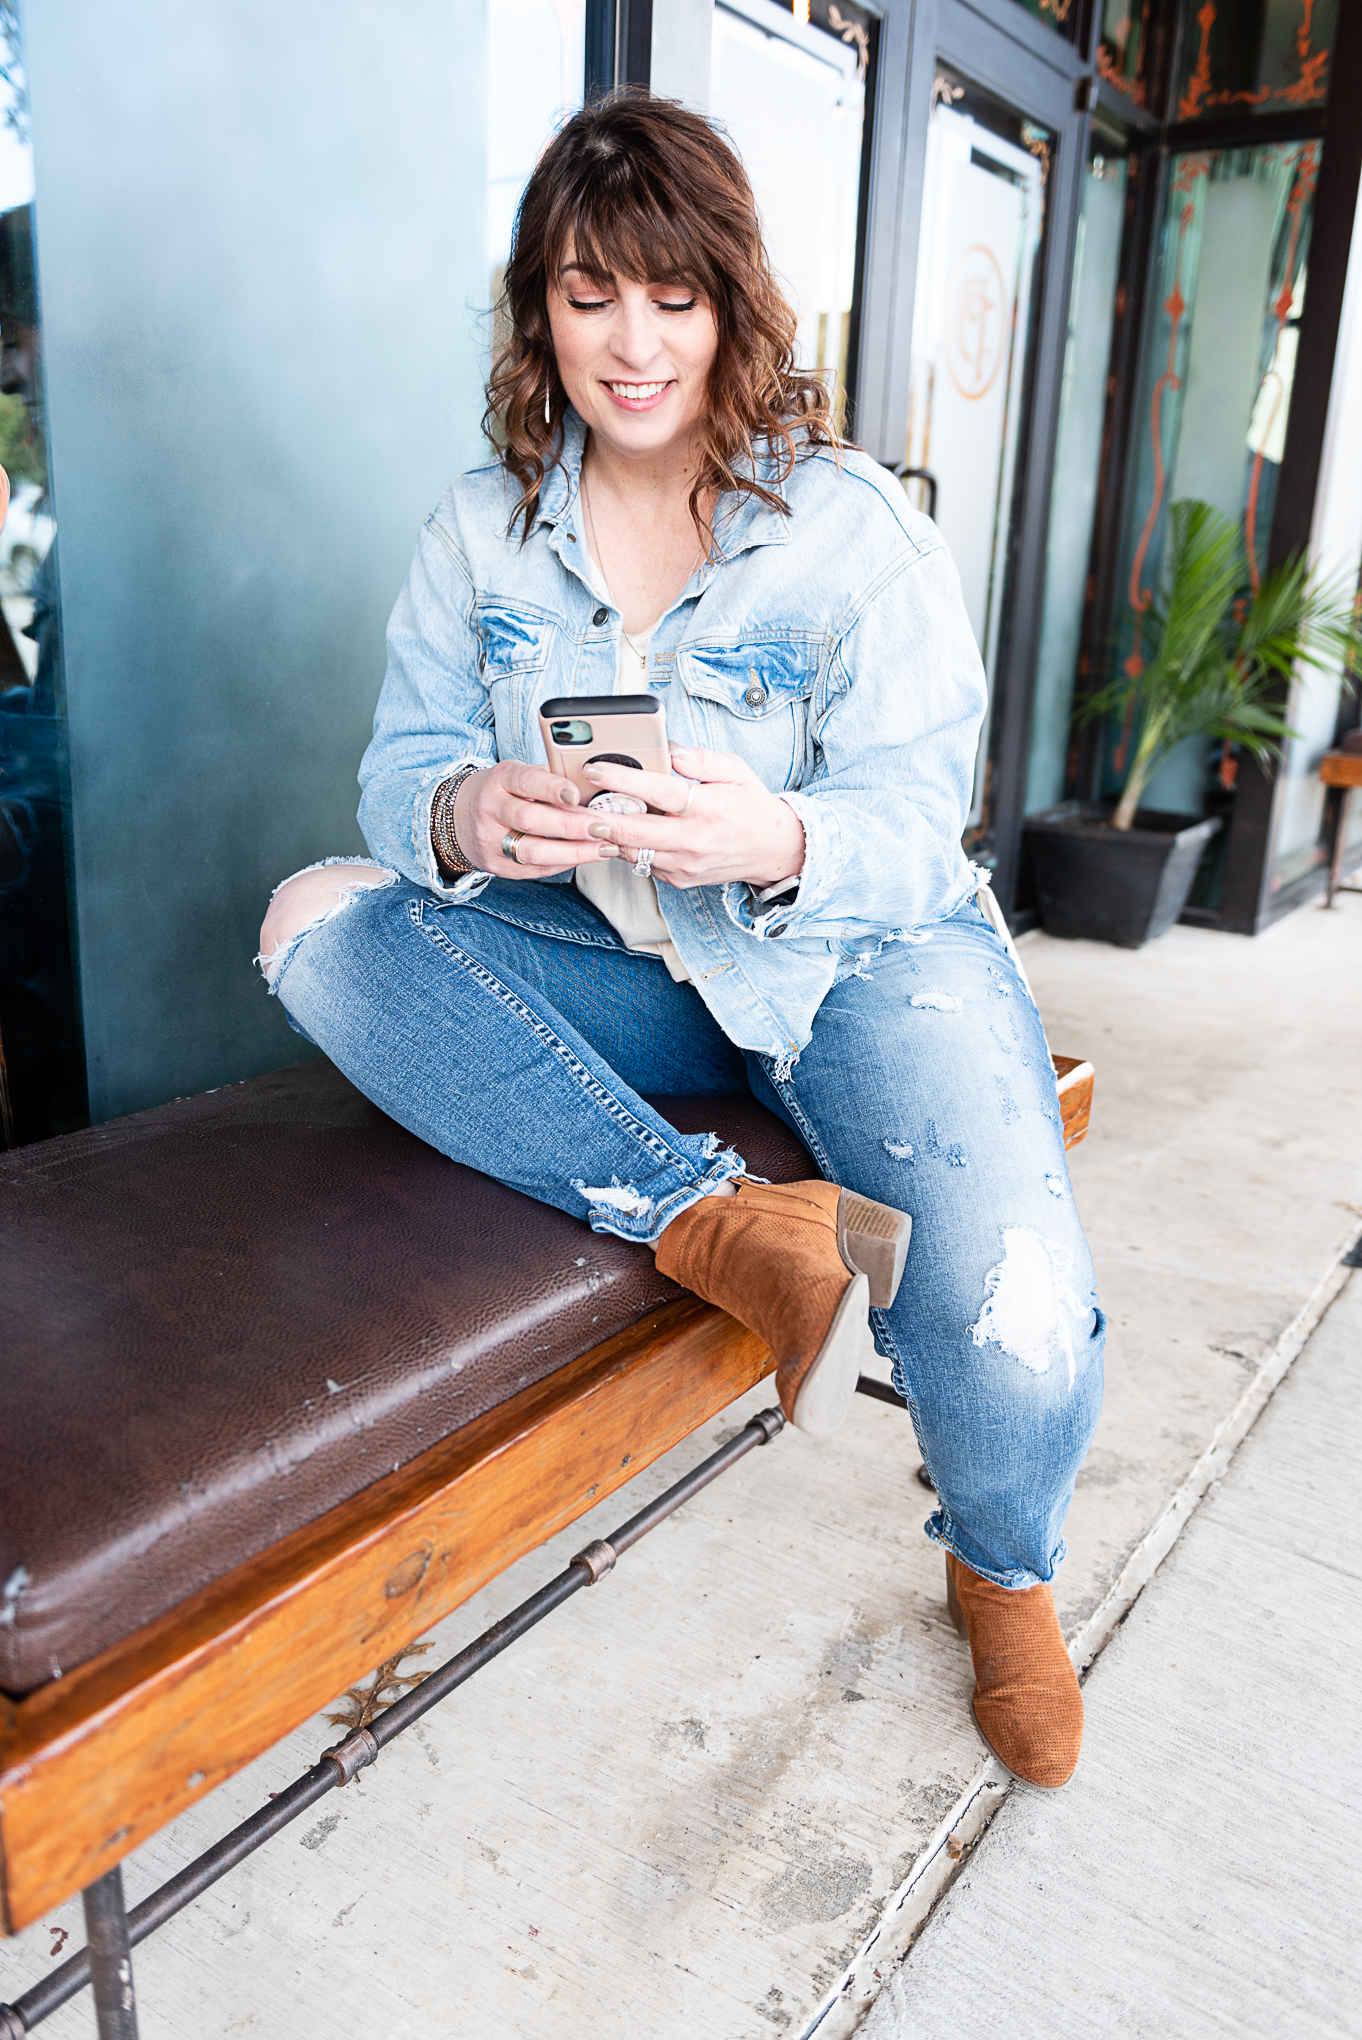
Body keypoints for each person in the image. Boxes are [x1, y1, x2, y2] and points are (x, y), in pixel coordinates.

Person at [258, 92, 1104, 1789]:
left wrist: (775, 833)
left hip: (855, 954)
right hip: (613, 960)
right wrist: (463, 814)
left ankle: (1001, 1571)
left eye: (669, 295)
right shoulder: (476, 530)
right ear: (540, 314)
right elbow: (395, 774)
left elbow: (917, 806)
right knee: (314, 922)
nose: (629, 343)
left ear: (727, 302)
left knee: (1009, 1322)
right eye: (587, 296)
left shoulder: (853, 524)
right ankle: (718, 1221)